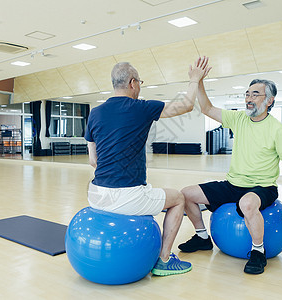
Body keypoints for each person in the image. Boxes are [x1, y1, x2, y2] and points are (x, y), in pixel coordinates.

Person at [84, 57, 210, 276]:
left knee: (154, 196)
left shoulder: (95, 113)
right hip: (127, 197)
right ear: (133, 83)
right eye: (140, 82)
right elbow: (187, 105)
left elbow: (93, 161)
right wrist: (194, 79)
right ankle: (163, 259)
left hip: (95, 195)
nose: (140, 86)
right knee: (178, 198)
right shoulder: (140, 107)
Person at [178, 77, 282, 275]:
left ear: (269, 101)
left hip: (262, 187)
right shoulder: (239, 119)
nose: (249, 99)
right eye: (247, 94)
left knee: (247, 204)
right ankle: (202, 237)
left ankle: (258, 251)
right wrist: (198, 82)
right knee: (186, 194)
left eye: (255, 94)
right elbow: (207, 108)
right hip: (233, 184)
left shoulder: (278, 130)